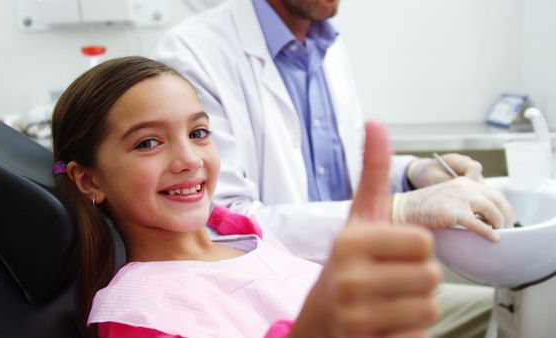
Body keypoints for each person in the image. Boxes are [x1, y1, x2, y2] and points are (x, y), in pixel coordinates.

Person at [154, 1, 515, 336]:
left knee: (507, 312)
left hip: (357, 278)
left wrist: (411, 174)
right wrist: (399, 211)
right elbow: (222, 221)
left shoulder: (326, 44)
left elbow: (343, 160)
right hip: (269, 299)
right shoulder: (196, 51)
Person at [51, 56, 441, 337]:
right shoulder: (139, 313)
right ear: (88, 180)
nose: (189, 159)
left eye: (198, 133)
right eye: (148, 143)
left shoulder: (243, 236)